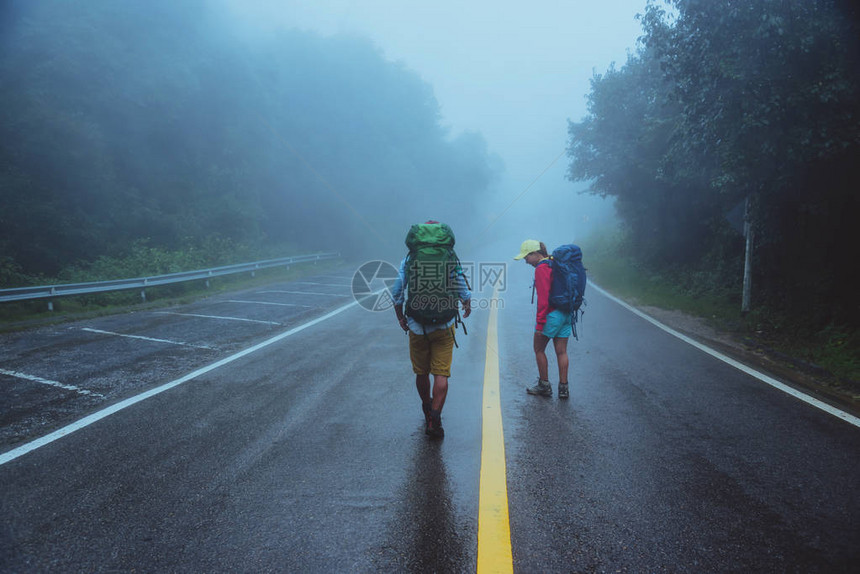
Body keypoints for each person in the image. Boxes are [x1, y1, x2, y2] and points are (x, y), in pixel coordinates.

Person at [391, 221, 472, 438]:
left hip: (417, 325)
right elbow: (461, 285)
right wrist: (467, 302)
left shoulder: (410, 258)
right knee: (441, 373)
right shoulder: (450, 256)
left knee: (421, 372)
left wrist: (400, 316)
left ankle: (426, 407)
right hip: (444, 325)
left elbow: (398, 290)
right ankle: (435, 418)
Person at [514, 239, 571, 399]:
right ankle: (564, 388)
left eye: (526, 257)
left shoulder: (541, 268)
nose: (526, 262)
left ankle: (544, 385)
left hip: (552, 315)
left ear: (535, 254)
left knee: (539, 349)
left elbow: (544, 299)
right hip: (566, 312)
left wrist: (540, 324)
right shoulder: (555, 263)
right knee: (562, 352)